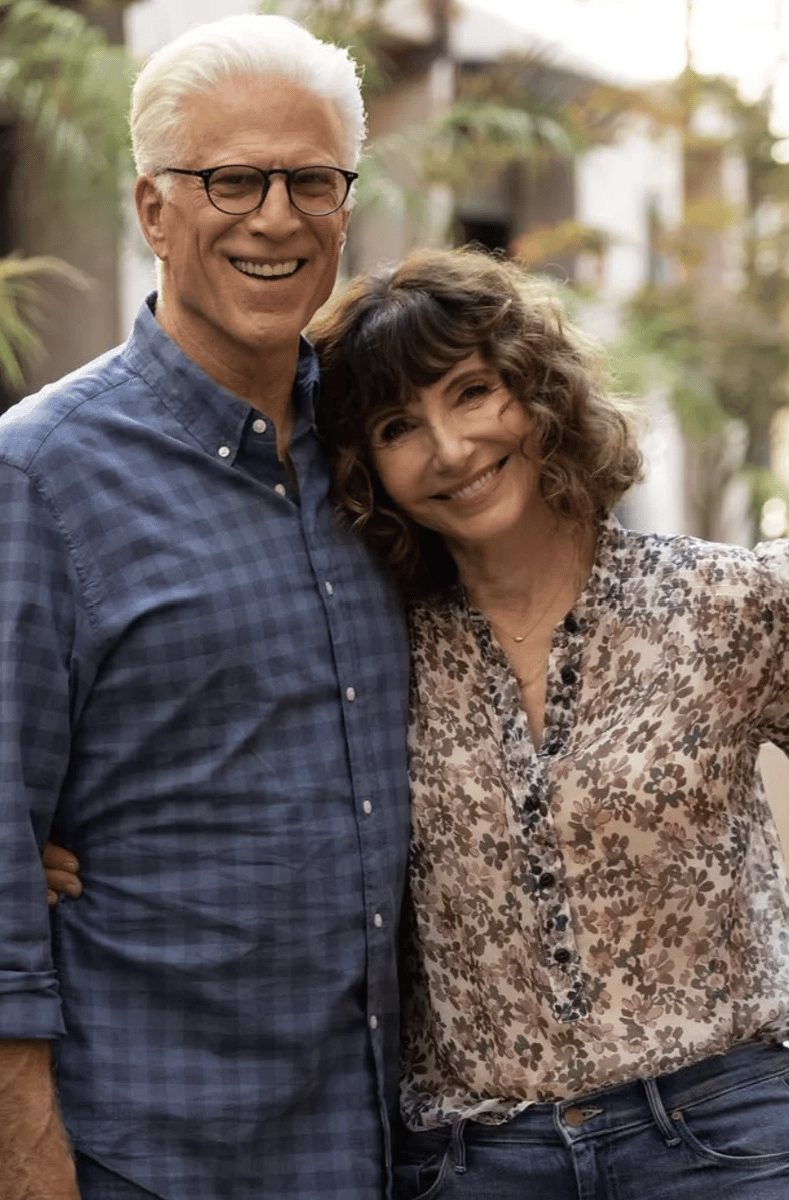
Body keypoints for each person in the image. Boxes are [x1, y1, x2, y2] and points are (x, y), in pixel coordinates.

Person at [0, 15, 411, 1200]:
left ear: (347, 202)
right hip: (152, 1156)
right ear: (153, 210)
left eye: (312, 180)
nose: (276, 216)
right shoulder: (44, 475)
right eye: (232, 178)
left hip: (388, 1149)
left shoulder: (386, 445)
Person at [306, 246, 789, 1199]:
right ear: (368, 468)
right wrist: (67, 850)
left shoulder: (724, 602)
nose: (448, 447)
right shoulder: (370, 658)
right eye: (401, 425)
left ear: (541, 391)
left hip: (726, 1136)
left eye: (474, 391)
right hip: (478, 1160)